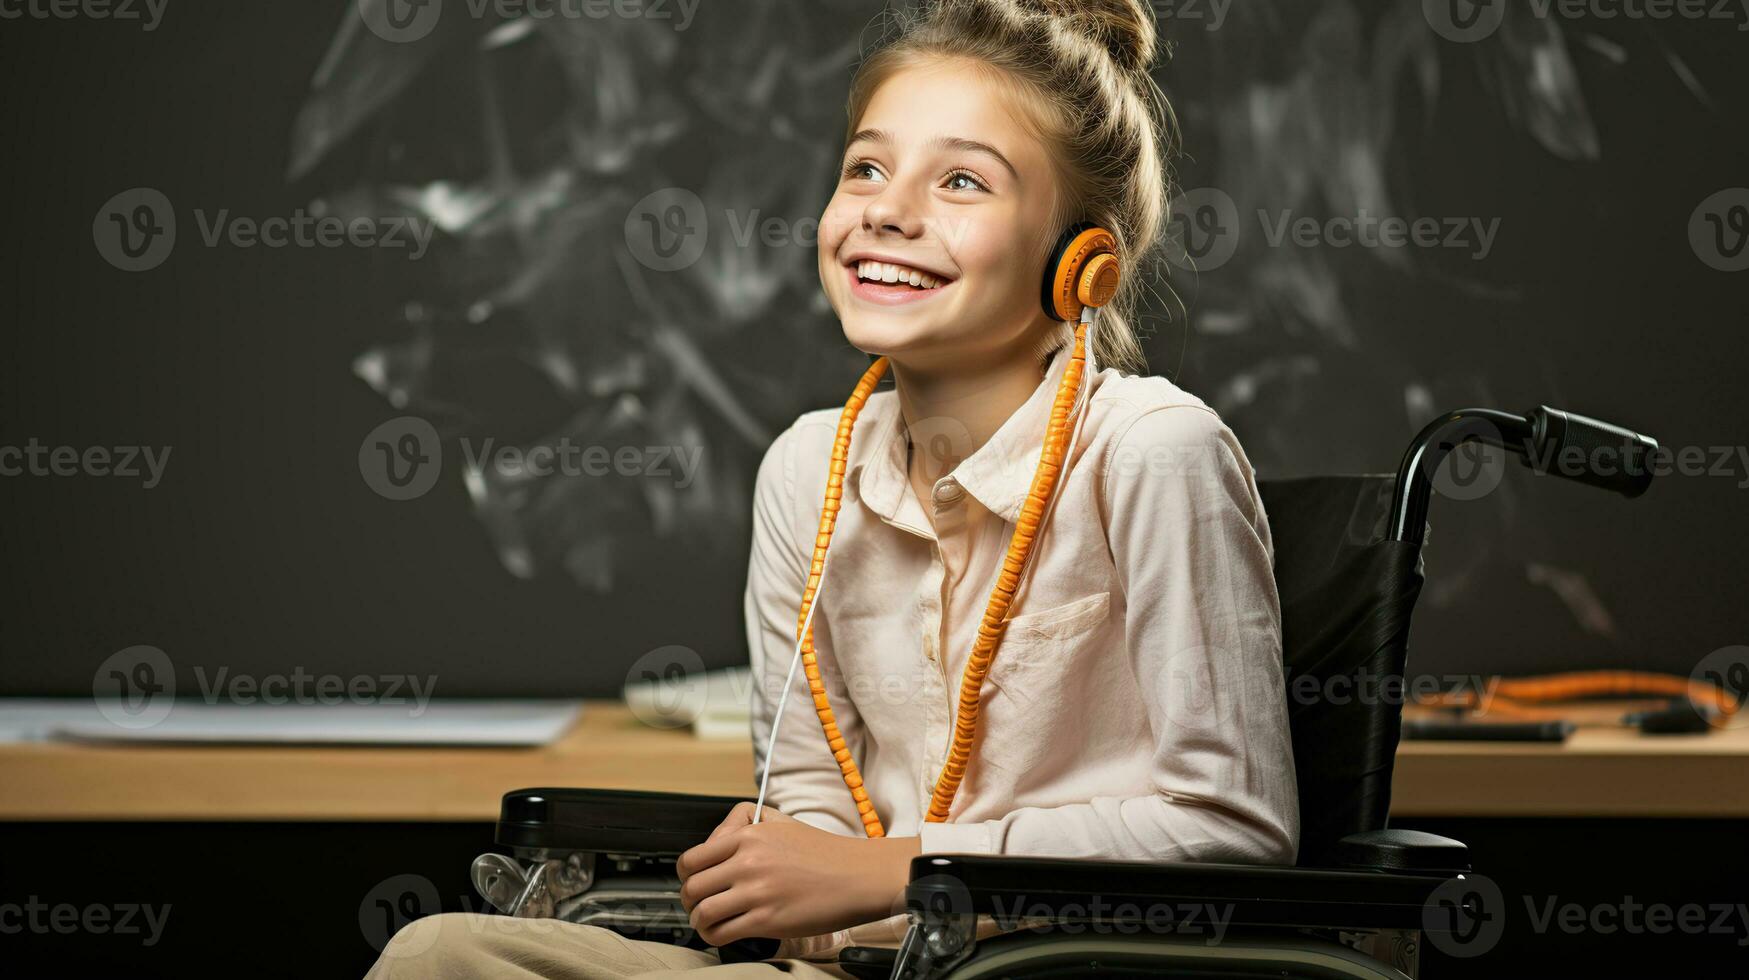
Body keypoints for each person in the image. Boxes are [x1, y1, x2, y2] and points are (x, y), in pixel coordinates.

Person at [366, 1, 1297, 975]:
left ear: (1083, 262)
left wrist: (901, 870)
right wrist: (779, 874)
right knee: (438, 950)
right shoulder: (807, 470)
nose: (890, 210)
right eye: (866, 168)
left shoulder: (1153, 452)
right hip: (858, 967)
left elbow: (1230, 823)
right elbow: (812, 792)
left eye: (964, 181)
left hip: (1054, 964)